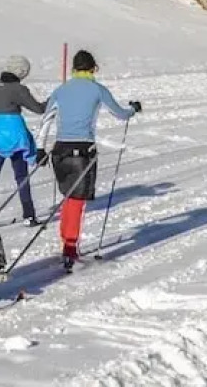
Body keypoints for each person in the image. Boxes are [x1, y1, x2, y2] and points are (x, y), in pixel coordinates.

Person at [44, 49, 141, 271]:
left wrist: (40, 149)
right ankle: (70, 247)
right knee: (77, 201)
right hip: (82, 150)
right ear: (93, 68)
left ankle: (66, 240)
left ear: (73, 69)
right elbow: (120, 113)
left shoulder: (61, 90)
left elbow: (47, 117)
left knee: (68, 197)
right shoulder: (97, 89)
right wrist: (133, 109)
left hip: (59, 150)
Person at [0, 56, 46, 226]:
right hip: (15, 135)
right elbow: (38, 109)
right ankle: (29, 215)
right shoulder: (19, 89)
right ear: (21, 72)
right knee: (21, 176)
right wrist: (53, 100)